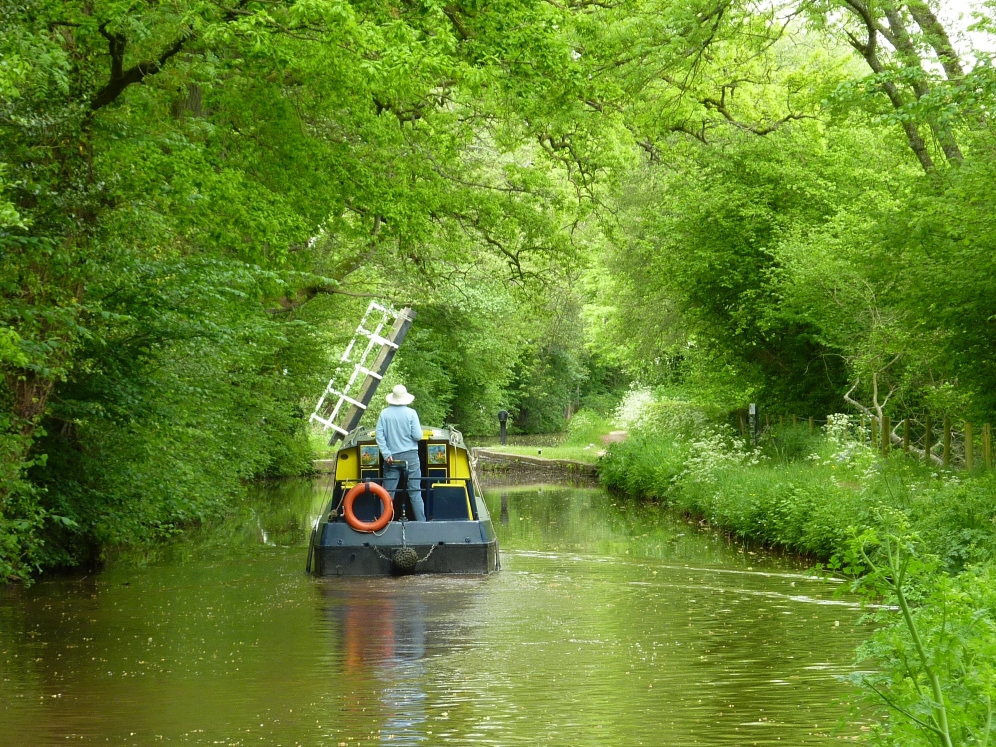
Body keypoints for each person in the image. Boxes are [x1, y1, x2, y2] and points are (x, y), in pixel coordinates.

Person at [375, 384, 426, 521]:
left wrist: (386, 454)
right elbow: (418, 436)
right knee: (415, 492)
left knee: (387, 493)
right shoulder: (411, 413)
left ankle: (383, 523)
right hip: (411, 457)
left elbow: (379, 436)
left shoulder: (384, 414)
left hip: (391, 457)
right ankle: (422, 524)